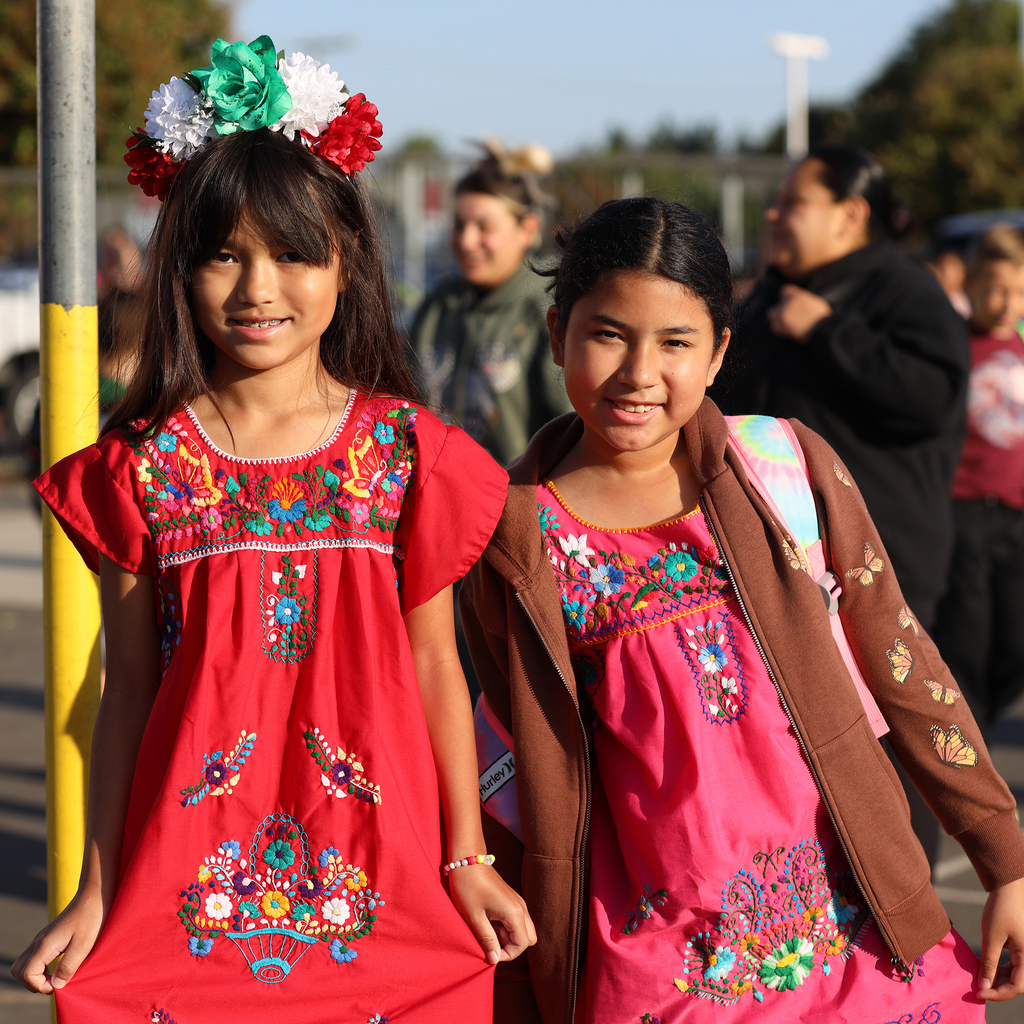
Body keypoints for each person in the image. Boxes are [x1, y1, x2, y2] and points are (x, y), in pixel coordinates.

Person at [10, 36, 533, 1023]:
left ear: (347, 266)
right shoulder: (144, 469)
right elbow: (125, 696)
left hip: (387, 878)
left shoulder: (409, 457)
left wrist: (466, 855)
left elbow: (436, 672)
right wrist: (95, 887)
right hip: (187, 890)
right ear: (181, 269)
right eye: (223, 254)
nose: (257, 288)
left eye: (293, 254)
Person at [459, 197, 1024, 1024]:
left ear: (720, 353)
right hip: (657, 963)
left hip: (854, 936)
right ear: (556, 335)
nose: (639, 373)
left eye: (676, 342)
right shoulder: (511, 529)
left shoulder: (787, 471)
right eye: (607, 334)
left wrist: (1003, 860)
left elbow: (902, 663)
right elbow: (508, 752)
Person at [720, 144, 970, 632]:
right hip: (763, 565)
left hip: (878, 575)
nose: (773, 214)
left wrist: (826, 332)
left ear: (850, 214)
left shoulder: (906, 291)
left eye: (794, 202)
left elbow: (933, 398)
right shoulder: (771, 295)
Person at [411, 140, 573, 465]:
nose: (467, 240)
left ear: (528, 230)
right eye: (459, 225)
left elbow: (572, 427)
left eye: (484, 227)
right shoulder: (437, 305)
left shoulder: (549, 308)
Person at [934, 225, 1024, 736]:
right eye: (995, 288)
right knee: (966, 640)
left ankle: (983, 718)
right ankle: (972, 742)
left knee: (1015, 641)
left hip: (1015, 513)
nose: (1007, 301)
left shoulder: (1021, 343)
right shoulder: (957, 346)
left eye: (1017, 289)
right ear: (970, 285)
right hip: (965, 513)